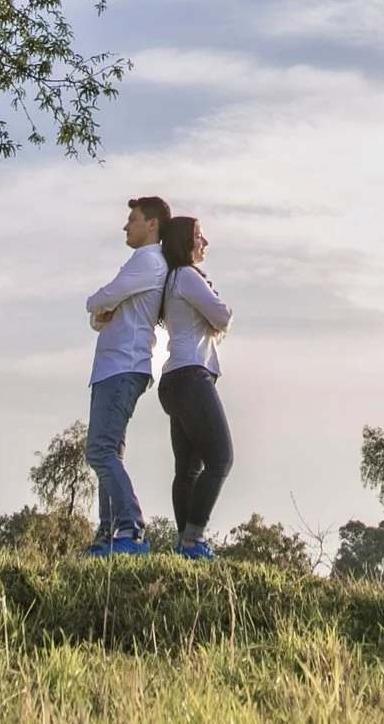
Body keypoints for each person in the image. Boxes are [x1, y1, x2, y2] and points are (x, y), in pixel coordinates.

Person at [79, 194, 170, 556]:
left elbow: (100, 300)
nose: (125, 226)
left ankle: (131, 528)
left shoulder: (148, 261)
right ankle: (108, 536)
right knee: (109, 452)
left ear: (152, 224)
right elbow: (99, 315)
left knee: (100, 450)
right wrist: (101, 309)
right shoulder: (140, 263)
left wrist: (99, 305)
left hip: (123, 366)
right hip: (113, 368)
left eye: (132, 219)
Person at [154, 214, 234, 560]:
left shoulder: (172, 280)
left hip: (175, 380)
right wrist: (216, 319)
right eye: (199, 236)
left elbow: (214, 322)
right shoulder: (186, 276)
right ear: (184, 241)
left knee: (187, 471)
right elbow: (223, 316)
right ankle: (193, 539)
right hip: (191, 376)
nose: (205, 242)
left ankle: (185, 544)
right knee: (221, 458)